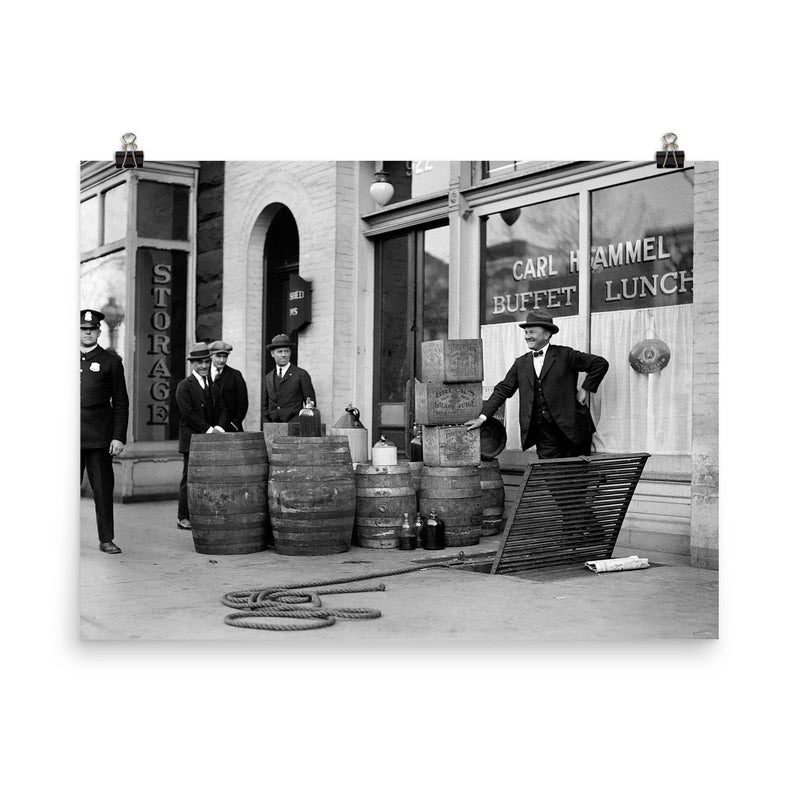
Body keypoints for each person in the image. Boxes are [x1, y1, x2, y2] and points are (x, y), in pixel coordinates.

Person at [465, 309, 608, 458]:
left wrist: (585, 389)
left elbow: (600, 363)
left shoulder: (565, 355)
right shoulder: (521, 363)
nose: (527, 337)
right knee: (547, 476)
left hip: (574, 432)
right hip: (544, 435)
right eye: (526, 333)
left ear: (546, 335)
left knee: (574, 478)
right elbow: (502, 390)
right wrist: (483, 418)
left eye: (531, 332)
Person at [80, 309, 130, 554]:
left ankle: (106, 538)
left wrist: (118, 436)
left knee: (102, 491)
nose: (87, 333)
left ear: (99, 331)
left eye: (91, 329)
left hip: (99, 438)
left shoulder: (111, 361)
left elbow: (120, 401)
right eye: (82, 329)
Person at [175, 343, 229, 530]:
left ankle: (202, 514)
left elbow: (223, 408)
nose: (204, 366)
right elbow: (188, 414)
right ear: (192, 364)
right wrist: (209, 430)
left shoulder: (212, 386)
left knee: (208, 478)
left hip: (210, 439)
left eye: (206, 362)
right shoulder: (184, 386)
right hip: (192, 440)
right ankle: (183, 516)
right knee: (189, 479)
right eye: (200, 363)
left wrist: (220, 428)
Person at [264, 333, 316, 422]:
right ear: (273, 354)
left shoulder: (301, 374)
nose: (283, 355)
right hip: (273, 426)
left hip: (295, 425)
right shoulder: (268, 377)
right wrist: (267, 423)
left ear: (290, 353)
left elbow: (310, 406)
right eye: (280, 352)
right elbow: (264, 406)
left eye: (286, 351)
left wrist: (298, 423)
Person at [209, 340, 249, 431]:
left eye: (225, 356)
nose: (222, 360)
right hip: (209, 429)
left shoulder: (235, 375)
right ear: (211, 355)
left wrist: (234, 424)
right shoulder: (204, 374)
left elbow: (243, 404)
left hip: (230, 428)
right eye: (218, 356)